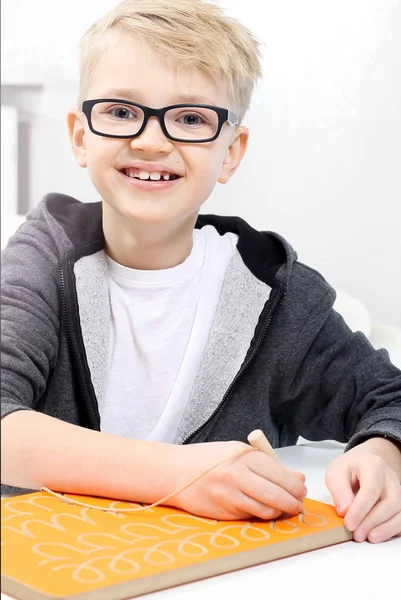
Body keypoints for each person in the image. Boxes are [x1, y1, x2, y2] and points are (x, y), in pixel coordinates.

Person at [1, 0, 400, 545]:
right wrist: (180, 474)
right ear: (79, 135)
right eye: (121, 111)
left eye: (190, 119)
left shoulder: (274, 294)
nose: (151, 140)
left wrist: (384, 457)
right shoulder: (45, 256)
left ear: (231, 151)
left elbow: (388, 398)